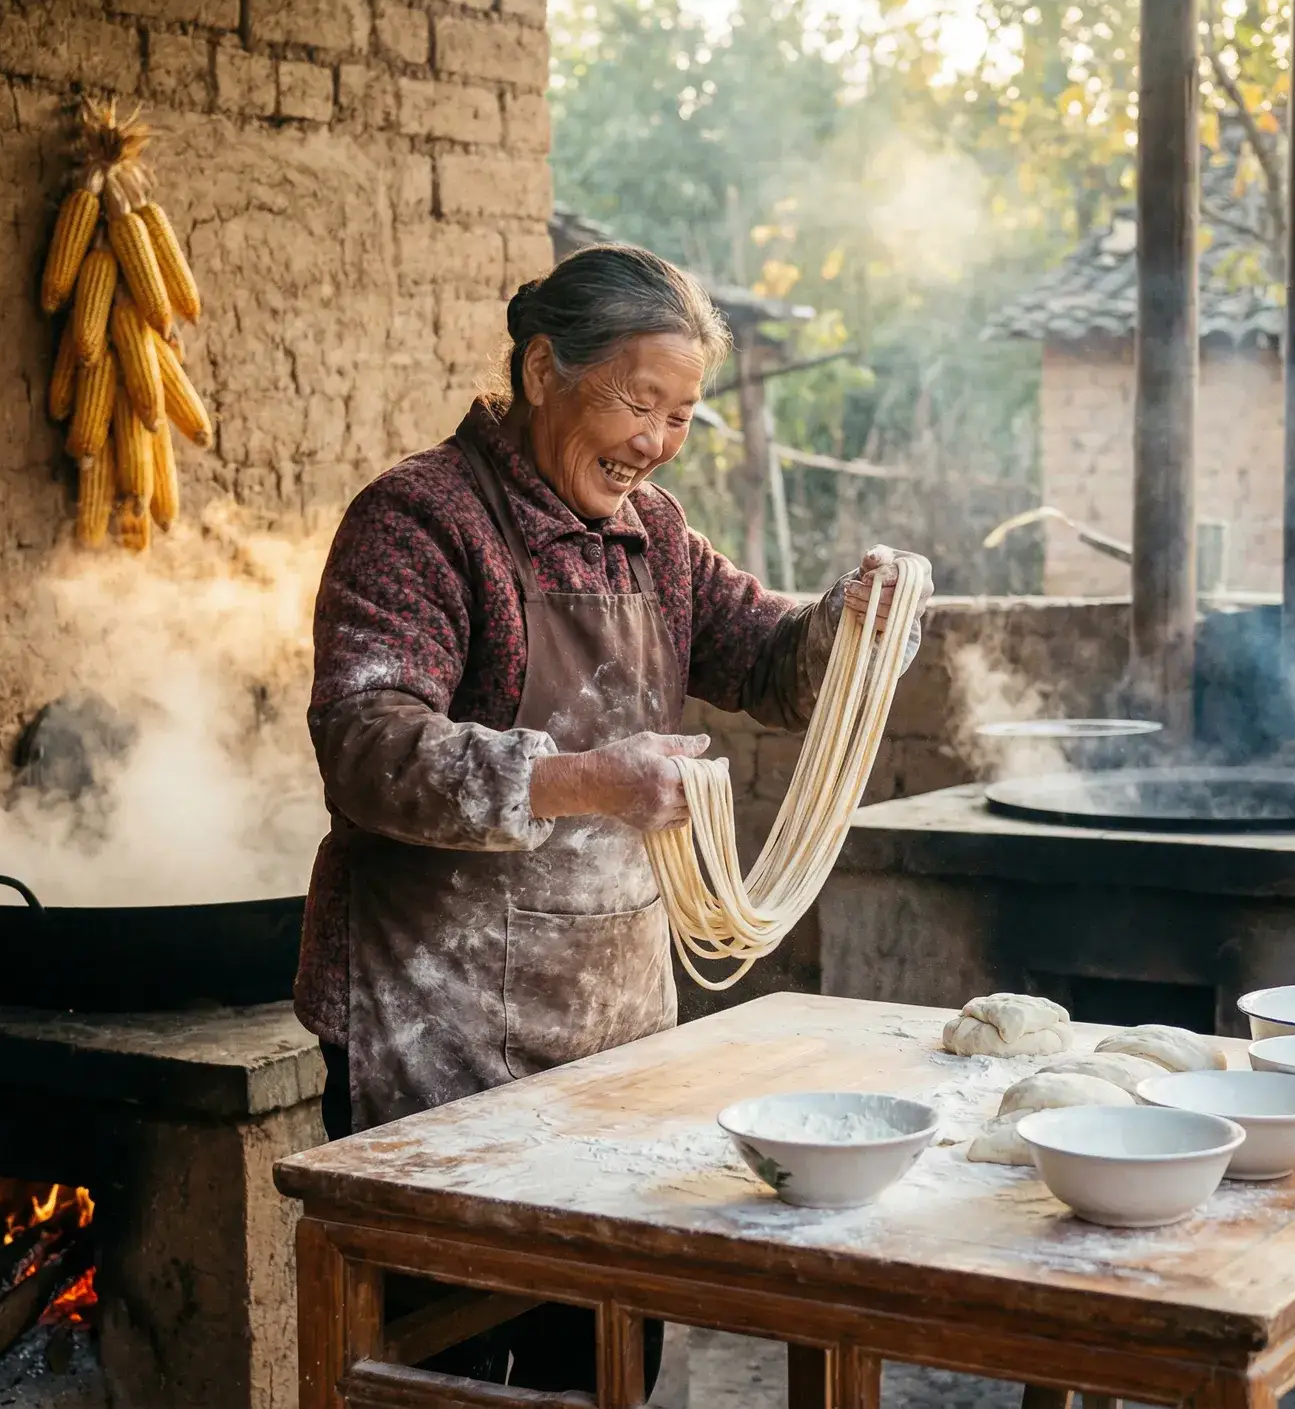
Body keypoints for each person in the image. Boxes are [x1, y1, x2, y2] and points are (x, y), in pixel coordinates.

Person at [296, 242, 932, 1393]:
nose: (656, 440)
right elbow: (366, 744)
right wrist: (583, 779)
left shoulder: (659, 534)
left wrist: (849, 623)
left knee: (604, 1358)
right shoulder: (422, 521)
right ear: (544, 368)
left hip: (614, 1036)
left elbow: (770, 662)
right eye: (640, 401)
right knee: (445, 1371)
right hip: (438, 1044)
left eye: (683, 415)